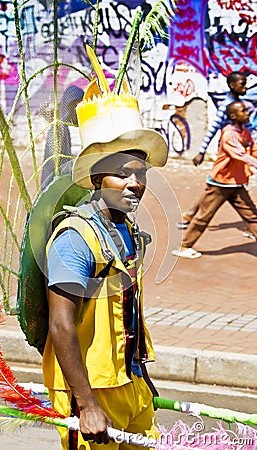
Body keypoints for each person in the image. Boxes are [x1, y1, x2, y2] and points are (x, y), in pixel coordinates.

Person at [42, 59, 168, 448]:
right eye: (122, 173)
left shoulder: (126, 229)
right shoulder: (74, 238)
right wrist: (87, 403)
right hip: (92, 393)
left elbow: (127, 312)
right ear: (97, 178)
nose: (135, 183)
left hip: (131, 385)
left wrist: (140, 374)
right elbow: (61, 326)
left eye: (141, 174)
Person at [172, 101, 257, 259]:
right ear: (233, 116)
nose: (247, 113)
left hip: (237, 183)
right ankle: (184, 246)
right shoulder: (229, 133)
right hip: (220, 183)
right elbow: (239, 154)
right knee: (204, 216)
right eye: (244, 111)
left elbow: (253, 150)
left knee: (252, 215)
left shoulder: (245, 132)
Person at [178, 71, 256, 240]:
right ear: (232, 85)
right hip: (228, 157)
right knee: (214, 193)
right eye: (242, 84)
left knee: (214, 193)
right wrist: (201, 151)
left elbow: (249, 132)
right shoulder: (227, 107)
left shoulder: (239, 106)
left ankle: (189, 217)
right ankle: (188, 227)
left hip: (235, 163)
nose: (245, 87)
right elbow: (213, 129)